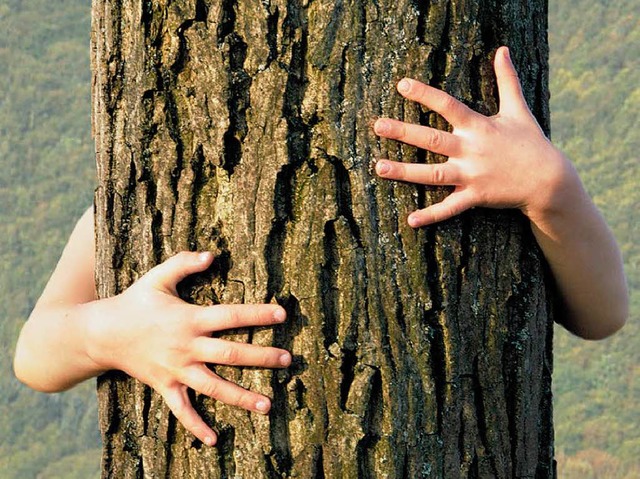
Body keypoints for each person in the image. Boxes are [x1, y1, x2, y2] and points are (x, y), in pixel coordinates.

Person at [13, 46, 628, 447]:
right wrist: (115, 333)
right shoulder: (140, 191)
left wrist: (550, 190)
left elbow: (600, 314)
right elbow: (35, 354)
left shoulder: (496, 167)